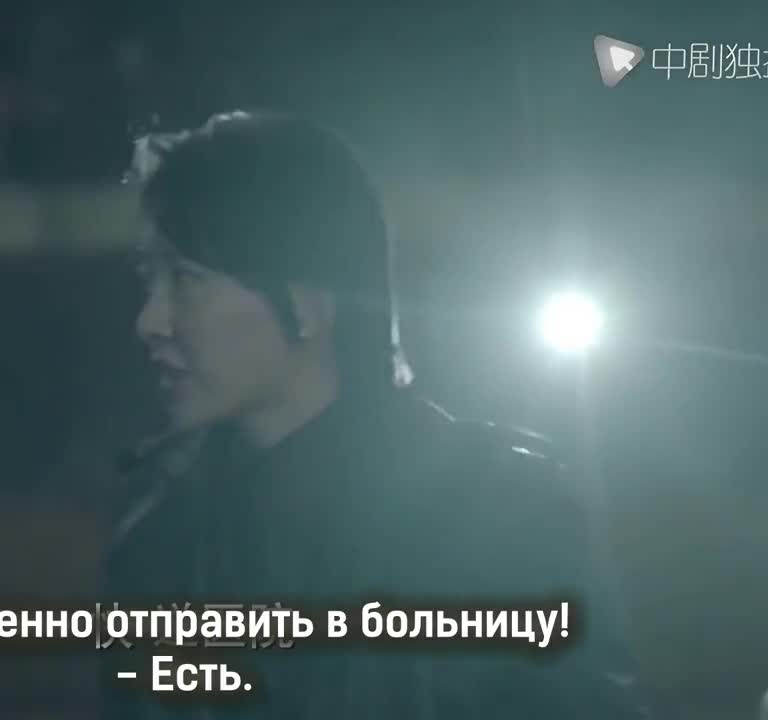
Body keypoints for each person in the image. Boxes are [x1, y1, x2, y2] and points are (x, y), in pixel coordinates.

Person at [106, 111, 651, 719]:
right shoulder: (160, 543)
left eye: (188, 280)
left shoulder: (496, 516)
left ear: (307, 302)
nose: (150, 320)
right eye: (149, 281)